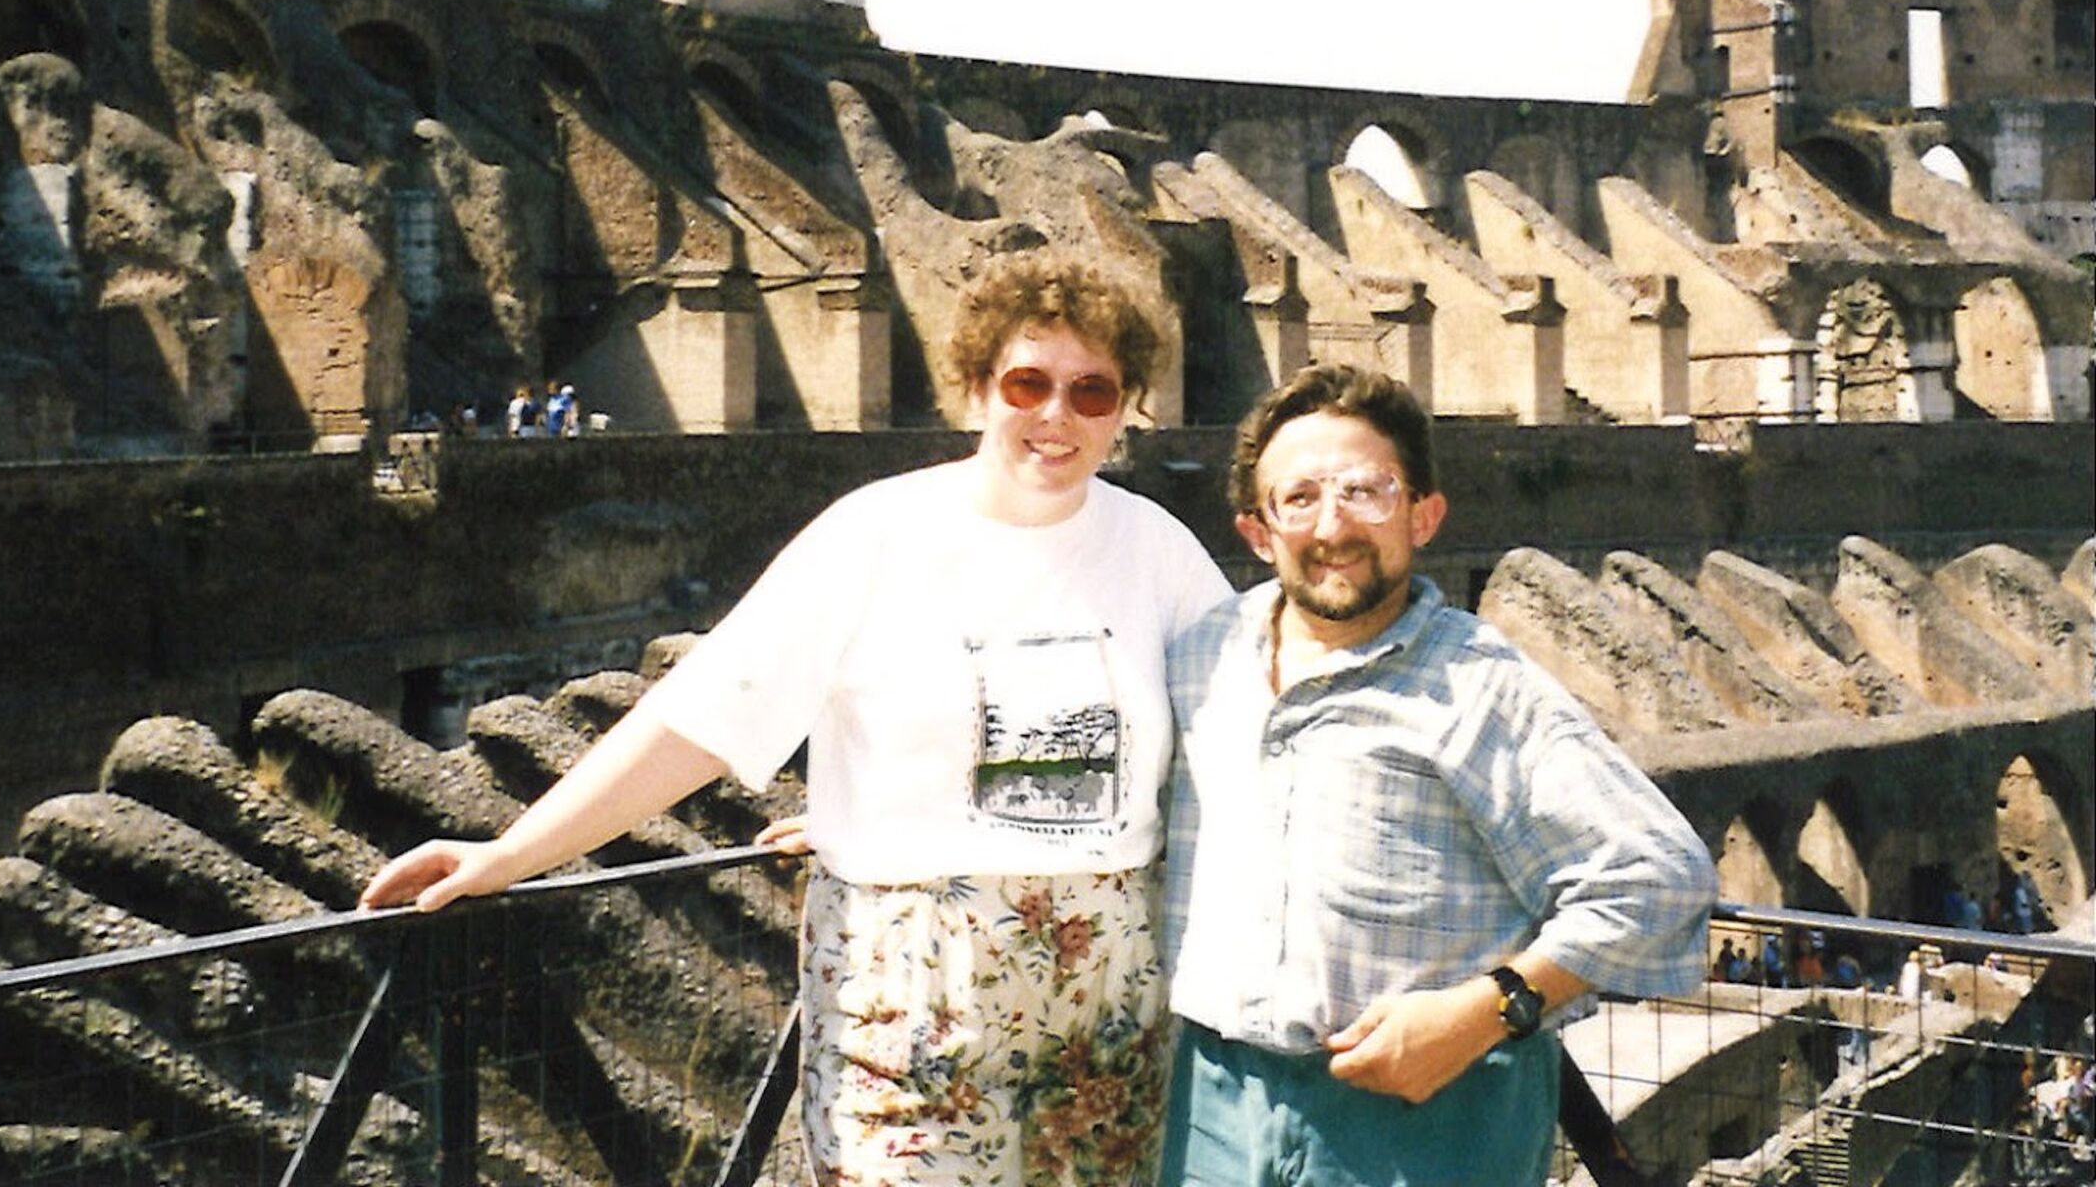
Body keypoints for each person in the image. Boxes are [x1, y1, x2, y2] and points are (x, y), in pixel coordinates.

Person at [362, 247, 1230, 1184]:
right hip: (909, 988)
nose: (1056, 416)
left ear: (1126, 408)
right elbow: (699, 717)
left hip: (1108, 998)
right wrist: (511, 854)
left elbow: (1238, 742)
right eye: (1028, 382)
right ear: (978, 388)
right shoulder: (877, 534)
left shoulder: (1159, 550)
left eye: (1092, 393)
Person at [1159, 364, 1715, 1187]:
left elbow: (1659, 878)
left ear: (1423, 514)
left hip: (1426, 1115)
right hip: (1216, 1104)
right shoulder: (1203, 654)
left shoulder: (1481, 684)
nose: (1333, 524)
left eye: (1366, 491)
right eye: (1300, 497)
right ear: (1257, 530)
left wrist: (1485, 1013)